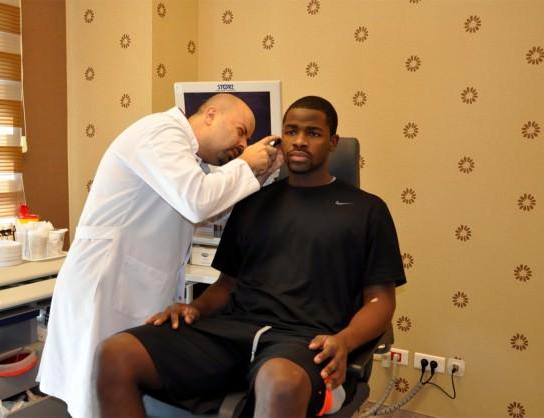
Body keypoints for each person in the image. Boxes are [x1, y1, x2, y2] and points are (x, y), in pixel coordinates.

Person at [94, 96, 407, 418]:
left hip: (304, 340)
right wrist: (194, 308)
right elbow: (227, 284)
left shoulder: (366, 210)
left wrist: (345, 341)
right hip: (232, 331)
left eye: (313, 133)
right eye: (291, 131)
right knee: (116, 354)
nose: (300, 141)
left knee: (279, 381)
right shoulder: (253, 202)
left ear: (333, 142)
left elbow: (380, 300)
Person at [37, 93, 284, 418]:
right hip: (106, 282)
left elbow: (212, 210)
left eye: (248, 139)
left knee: (120, 388)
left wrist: (260, 175)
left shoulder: (191, 158)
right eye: (241, 131)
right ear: (211, 114)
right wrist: (247, 164)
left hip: (133, 284)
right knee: (99, 393)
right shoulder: (161, 133)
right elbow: (197, 202)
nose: (243, 144)